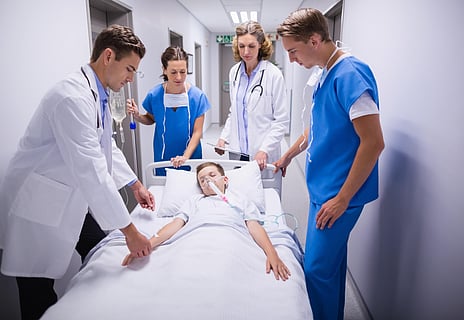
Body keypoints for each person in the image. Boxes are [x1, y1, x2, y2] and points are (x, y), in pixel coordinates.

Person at [0, 25, 155, 320]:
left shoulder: (97, 94)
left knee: (102, 252)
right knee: (37, 294)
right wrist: (130, 231)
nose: (130, 79)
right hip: (36, 206)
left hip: (66, 199)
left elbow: (105, 146)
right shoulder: (72, 97)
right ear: (108, 56)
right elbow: (91, 167)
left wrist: (135, 184)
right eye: (129, 69)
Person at [274, 8, 385, 320]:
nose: (292, 60)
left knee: (316, 270)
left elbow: (374, 142)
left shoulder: (350, 74)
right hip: (323, 188)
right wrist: (288, 155)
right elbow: (316, 128)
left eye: (294, 51)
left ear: (314, 39)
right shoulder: (325, 73)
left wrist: (342, 199)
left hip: (339, 193)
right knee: (331, 265)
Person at [122, 161, 291, 281]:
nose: (207, 181)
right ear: (200, 187)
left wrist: (272, 254)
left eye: (212, 175)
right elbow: (174, 226)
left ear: (225, 180)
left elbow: (255, 228)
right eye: (202, 180)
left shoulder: (240, 200)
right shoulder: (194, 201)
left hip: (231, 240)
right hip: (194, 239)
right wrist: (146, 244)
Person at [215, 21, 289, 171]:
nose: (246, 52)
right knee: (238, 192)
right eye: (241, 46)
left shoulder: (273, 75)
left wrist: (265, 149)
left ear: (261, 44)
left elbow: (281, 121)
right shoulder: (234, 72)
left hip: (262, 154)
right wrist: (224, 138)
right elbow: (234, 111)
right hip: (237, 152)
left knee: (263, 193)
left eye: (251, 46)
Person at [127, 46, 211, 175]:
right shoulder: (155, 95)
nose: (178, 77)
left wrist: (185, 157)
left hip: (191, 156)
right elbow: (151, 119)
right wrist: (138, 116)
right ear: (164, 70)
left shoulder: (197, 97)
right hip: (163, 157)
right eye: (173, 72)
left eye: (183, 72)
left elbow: (197, 132)